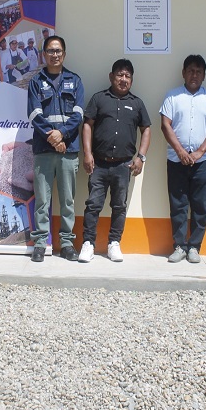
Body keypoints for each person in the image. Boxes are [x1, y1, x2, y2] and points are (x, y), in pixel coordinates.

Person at [79, 59, 151, 263]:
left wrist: (141, 157)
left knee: (119, 206)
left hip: (123, 165)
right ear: (111, 77)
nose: (123, 79)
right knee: (93, 205)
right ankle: (88, 244)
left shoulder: (137, 103)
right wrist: (87, 153)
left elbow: (146, 129)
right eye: (120, 75)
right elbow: (87, 125)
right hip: (99, 164)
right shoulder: (99, 98)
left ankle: (114, 243)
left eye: (128, 76)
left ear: (132, 80)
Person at [27, 36, 84, 262]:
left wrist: (63, 135)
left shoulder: (75, 80)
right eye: (50, 51)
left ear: (64, 54)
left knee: (68, 199)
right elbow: (34, 114)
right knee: (42, 199)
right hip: (44, 149)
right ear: (44, 54)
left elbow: (78, 114)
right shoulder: (35, 81)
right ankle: (40, 243)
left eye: (58, 50)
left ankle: (67, 244)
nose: (55, 54)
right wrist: (54, 137)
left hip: (68, 149)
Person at [160, 55, 206, 264]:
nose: (194, 75)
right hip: (176, 160)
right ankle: (179, 245)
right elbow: (165, 125)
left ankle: (194, 246)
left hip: (201, 162)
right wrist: (181, 152)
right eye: (190, 70)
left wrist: (199, 152)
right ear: (183, 73)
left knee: (199, 204)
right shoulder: (172, 96)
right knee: (178, 204)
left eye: (198, 71)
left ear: (204, 75)